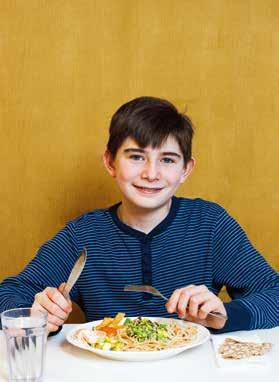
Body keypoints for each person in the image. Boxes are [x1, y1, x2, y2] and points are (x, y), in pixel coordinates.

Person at [0, 96, 278, 335]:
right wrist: (37, 315)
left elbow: (274, 294)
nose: (151, 174)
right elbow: (8, 295)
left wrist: (224, 315)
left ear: (186, 169)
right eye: (136, 157)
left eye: (167, 160)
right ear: (110, 162)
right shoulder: (83, 236)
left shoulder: (210, 224)